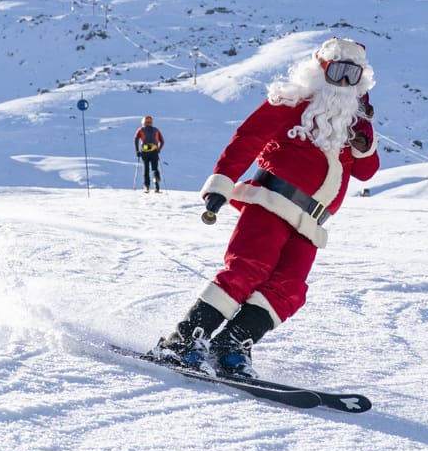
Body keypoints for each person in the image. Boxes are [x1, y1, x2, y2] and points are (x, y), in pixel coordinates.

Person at [151, 37, 379, 377]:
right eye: (338, 72)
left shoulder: (352, 122)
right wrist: (222, 184)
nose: (345, 82)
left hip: (311, 223)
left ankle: (230, 346)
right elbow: (248, 138)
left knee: (289, 288)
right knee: (248, 269)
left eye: (353, 74)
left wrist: (364, 143)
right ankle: (182, 341)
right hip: (272, 202)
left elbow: (366, 171)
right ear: (320, 71)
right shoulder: (292, 102)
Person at [135, 116, 165, 193]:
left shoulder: (141, 130)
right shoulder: (156, 130)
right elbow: (162, 141)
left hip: (145, 151)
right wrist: (159, 149)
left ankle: (147, 187)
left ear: (143, 123)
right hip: (154, 150)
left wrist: (137, 151)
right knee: (155, 168)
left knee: (146, 169)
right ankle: (156, 184)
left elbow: (136, 139)